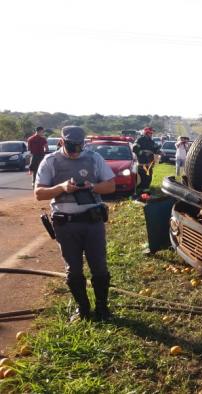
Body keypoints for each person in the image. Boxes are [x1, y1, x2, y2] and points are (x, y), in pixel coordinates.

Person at [34, 126, 116, 322]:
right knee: (74, 269)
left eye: (79, 147)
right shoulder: (50, 161)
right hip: (66, 225)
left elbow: (111, 185)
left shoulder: (94, 158)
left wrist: (93, 187)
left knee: (99, 267)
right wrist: (61, 187)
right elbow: (39, 193)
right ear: (61, 142)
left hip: (92, 223)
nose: (75, 153)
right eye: (71, 148)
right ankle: (83, 309)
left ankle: (102, 308)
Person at [132, 127, 161, 193]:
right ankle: (141, 191)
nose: (152, 134)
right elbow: (134, 148)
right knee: (143, 177)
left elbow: (155, 148)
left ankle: (146, 190)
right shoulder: (140, 140)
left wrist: (160, 152)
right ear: (146, 133)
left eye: (152, 133)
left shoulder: (151, 141)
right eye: (150, 133)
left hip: (150, 163)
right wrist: (144, 152)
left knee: (148, 177)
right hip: (142, 163)